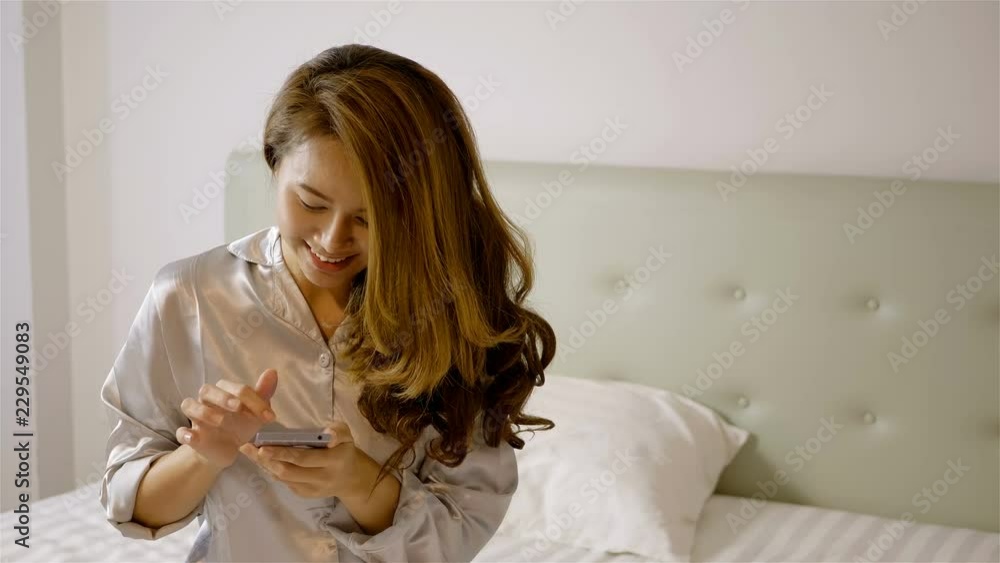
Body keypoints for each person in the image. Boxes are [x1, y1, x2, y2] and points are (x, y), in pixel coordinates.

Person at [98, 43, 556, 562]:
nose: (333, 239)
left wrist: (360, 481)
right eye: (311, 203)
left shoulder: (455, 317)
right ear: (274, 163)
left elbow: (461, 528)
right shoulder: (189, 296)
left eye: (369, 218)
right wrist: (204, 454)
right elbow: (128, 504)